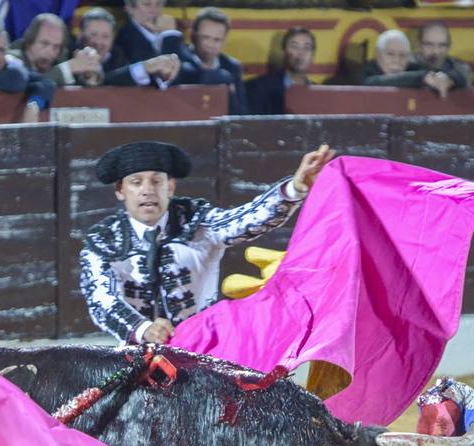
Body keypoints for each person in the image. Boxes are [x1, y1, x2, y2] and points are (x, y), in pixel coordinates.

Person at [79, 141, 332, 343]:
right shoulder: (103, 241)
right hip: (134, 354)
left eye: (157, 181)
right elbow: (102, 299)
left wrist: (295, 189)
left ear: (171, 187)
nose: (148, 190)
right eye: (136, 182)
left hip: (206, 350)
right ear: (120, 191)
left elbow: (246, 219)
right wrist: (143, 328)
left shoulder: (197, 221)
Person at [76, 8, 180, 88]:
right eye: (93, 34)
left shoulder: (120, 56)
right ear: (80, 35)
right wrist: (145, 67)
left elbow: (126, 80)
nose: (98, 42)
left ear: (112, 38)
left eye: (105, 36)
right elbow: (99, 86)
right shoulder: (69, 57)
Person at [176, 8, 246, 114]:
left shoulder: (232, 67)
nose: (210, 45)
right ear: (193, 36)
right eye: (205, 38)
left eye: (217, 40)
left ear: (224, 41)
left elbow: (241, 114)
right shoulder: (179, 60)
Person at [10, 13, 103, 87]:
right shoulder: (12, 59)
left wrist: (88, 73)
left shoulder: (61, 57)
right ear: (29, 40)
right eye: (44, 43)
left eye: (56, 46)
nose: (50, 52)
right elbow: (28, 86)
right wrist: (67, 69)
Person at [245, 27, 314, 115]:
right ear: (284, 51)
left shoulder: (320, 93)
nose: (301, 53)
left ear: (313, 55)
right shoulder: (258, 88)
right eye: (294, 46)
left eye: (307, 47)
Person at [114, 0, 183, 64]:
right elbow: (168, 71)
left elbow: (190, 66)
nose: (154, 10)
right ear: (130, 8)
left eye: (158, 4)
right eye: (147, 4)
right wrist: (169, 34)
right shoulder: (125, 40)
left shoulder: (163, 30)